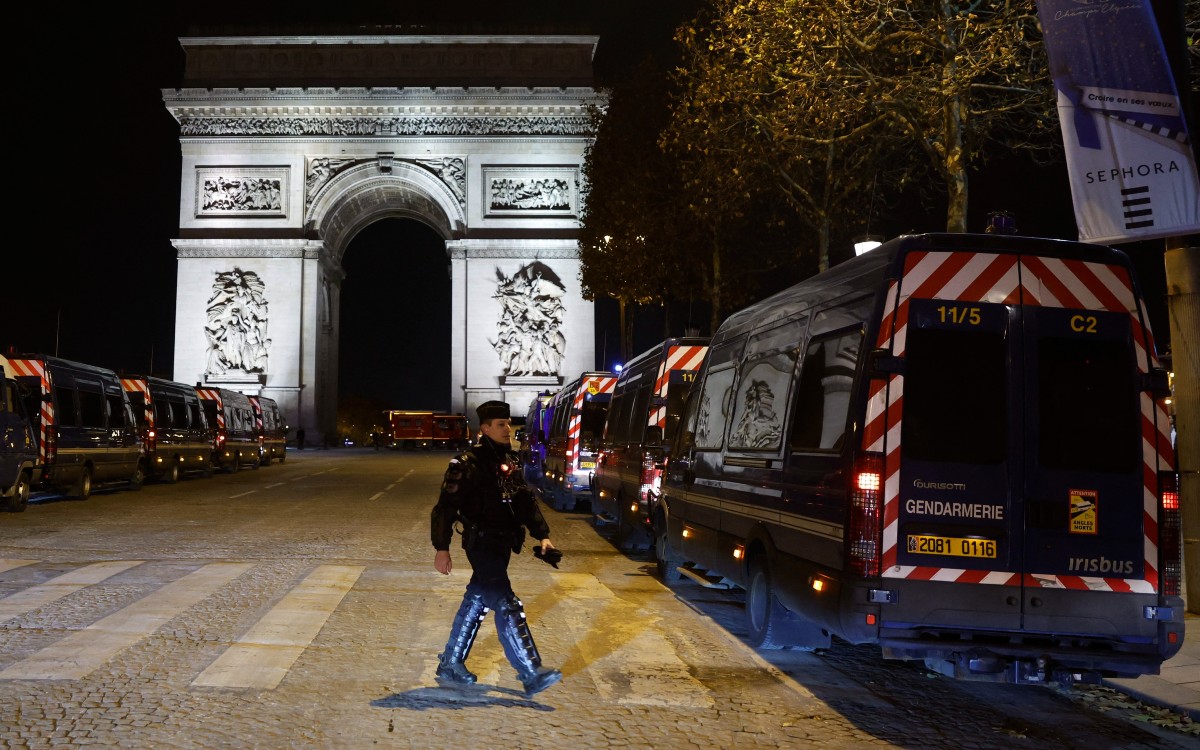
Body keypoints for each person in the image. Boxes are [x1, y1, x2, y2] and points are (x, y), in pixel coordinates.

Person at [430, 400, 562, 697]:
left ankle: (451, 663)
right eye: (501, 424)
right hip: (481, 543)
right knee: (506, 603)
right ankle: (530, 671)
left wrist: (543, 535)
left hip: (504, 544)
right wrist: (442, 548)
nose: (508, 429)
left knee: (477, 599)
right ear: (484, 428)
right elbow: (445, 508)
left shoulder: (511, 461)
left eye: (509, 424)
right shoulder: (464, 464)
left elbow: (525, 502)